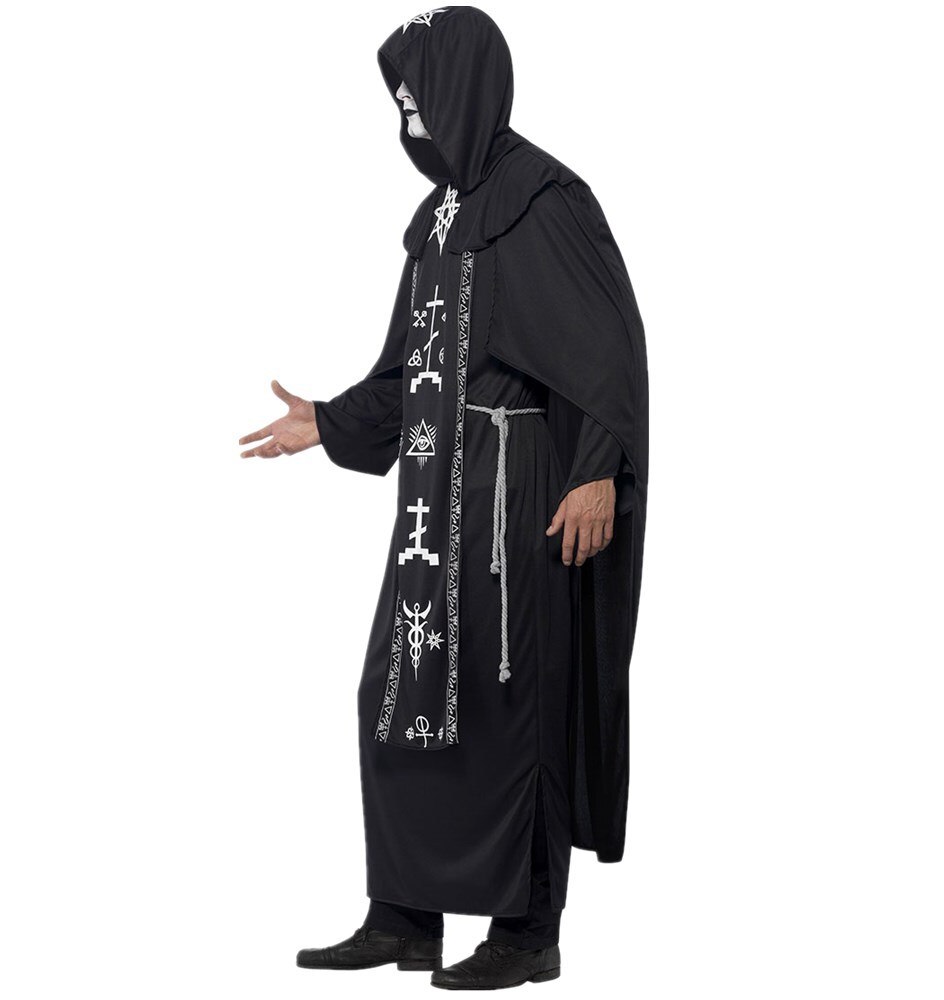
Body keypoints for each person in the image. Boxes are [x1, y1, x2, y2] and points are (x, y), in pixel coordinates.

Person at [238, 6, 648, 990]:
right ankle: (404, 915)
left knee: (514, 706)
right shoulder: (438, 221)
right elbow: (406, 369)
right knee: (399, 692)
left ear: (466, 90)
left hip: (517, 500)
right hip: (433, 504)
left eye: (420, 97)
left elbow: (608, 349)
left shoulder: (546, 199)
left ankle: (527, 932)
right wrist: (327, 421)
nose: (409, 118)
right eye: (401, 103)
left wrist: (597, 469)